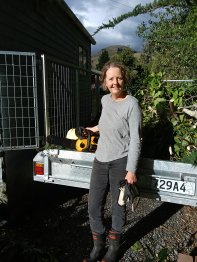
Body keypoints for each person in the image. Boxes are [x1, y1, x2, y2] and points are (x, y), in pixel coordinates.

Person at [83, 61, 142, 262]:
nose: (115, 82)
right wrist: (93, 129)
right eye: (110, 78)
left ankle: (113, 249)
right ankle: (98, 245)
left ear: (124, 79)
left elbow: (135, 138)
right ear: (105, 82)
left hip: (120, 160)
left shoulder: (132, 104)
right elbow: (105, 122)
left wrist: (131, 170)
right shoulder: (105, 100)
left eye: (118, 78)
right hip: (100, 159)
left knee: (118, 205)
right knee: (93, 205)